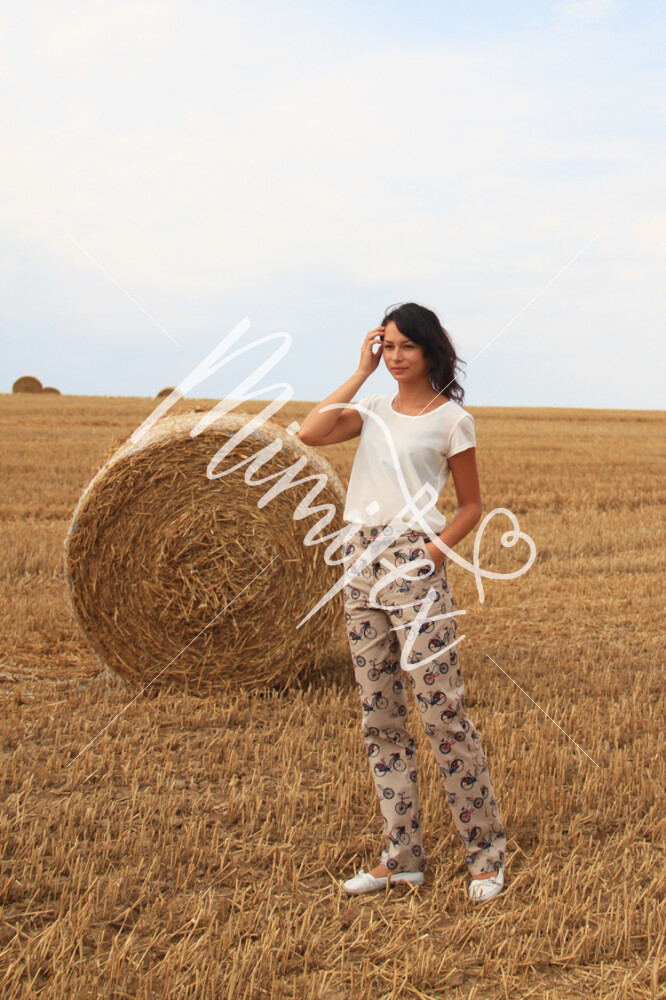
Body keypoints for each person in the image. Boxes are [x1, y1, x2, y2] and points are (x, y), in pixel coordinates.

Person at [297, 302, 507, 902]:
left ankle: (485, 855)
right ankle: (401, 857)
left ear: (430, 349)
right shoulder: (371, 409)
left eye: (405, 347)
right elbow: (309, 432)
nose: (395, 356)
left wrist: (433, 553)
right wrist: (359, 371)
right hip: (358, 562)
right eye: (386, 346)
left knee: (442, 712)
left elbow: (470, 504)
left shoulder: (452, 421)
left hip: (415, 561)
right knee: (379, 715)